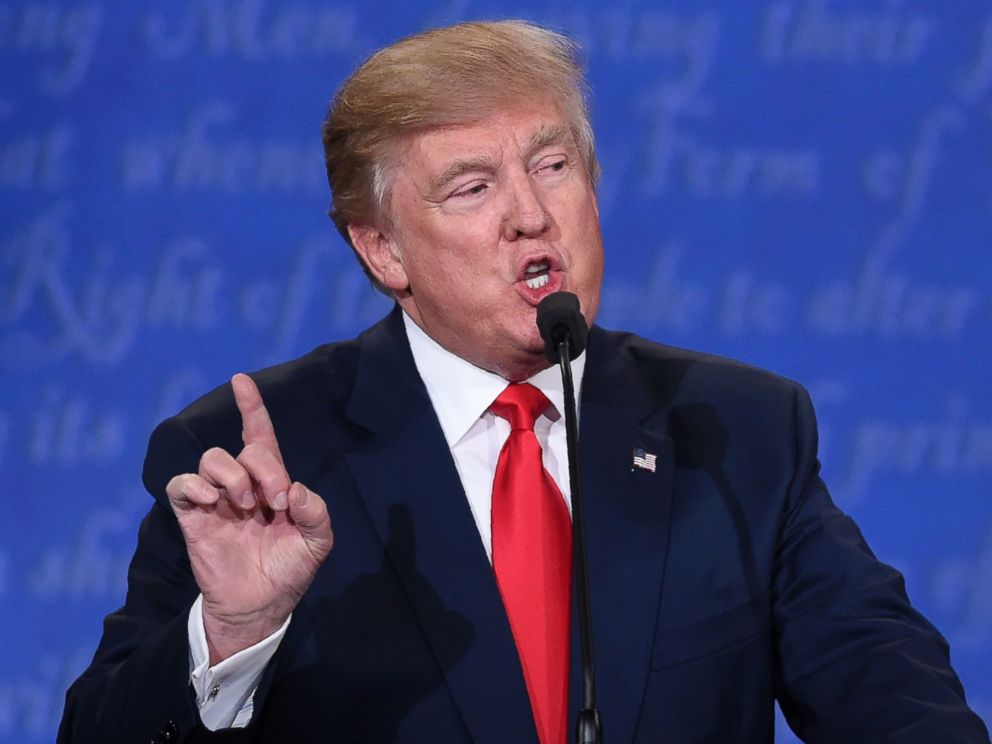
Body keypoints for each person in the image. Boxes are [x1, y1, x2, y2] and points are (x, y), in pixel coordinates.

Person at [59, 20, 989, 744]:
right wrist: (232, 637)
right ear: (382, 249)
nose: (531, 215)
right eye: (472, 188)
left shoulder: (736, 431)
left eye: (553, 166)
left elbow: (893, 698)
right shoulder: (258, 455)